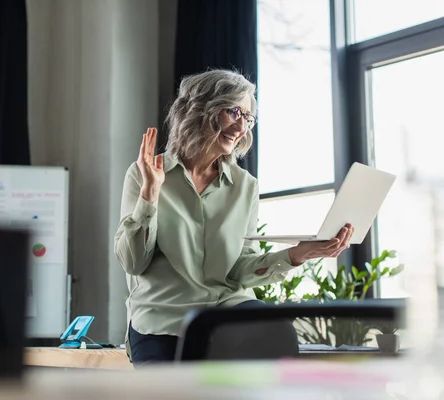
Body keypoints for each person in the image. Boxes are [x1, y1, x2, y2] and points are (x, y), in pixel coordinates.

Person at [114, 69, 354, 366]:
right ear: (200, 110)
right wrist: (150, 193)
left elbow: (240, 268)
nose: (242, 126)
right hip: (161, 318)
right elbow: (133, 261)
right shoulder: (144, 173)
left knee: (276, 333)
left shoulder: (245, 185)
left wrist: (296, 254)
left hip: (224, 312)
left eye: (248, 117)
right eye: (234, 111)